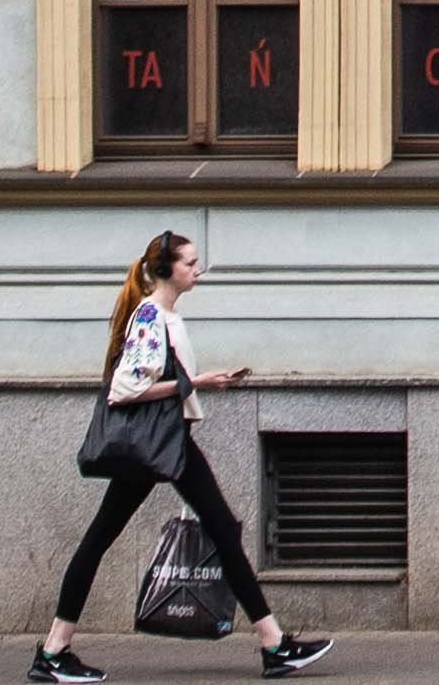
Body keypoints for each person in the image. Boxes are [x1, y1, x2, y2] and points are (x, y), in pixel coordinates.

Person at [33, 230, 334, 684]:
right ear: (166, 269)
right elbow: (125, 389)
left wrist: (199, 383)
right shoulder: (150, 316)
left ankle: (274, 644)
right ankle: (53, 652)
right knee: (112, 536)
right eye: (190, 263)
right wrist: (197, 383)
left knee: (215, 529)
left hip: (169, 439)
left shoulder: (166, 316)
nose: (198, 270)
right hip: (159, 441)